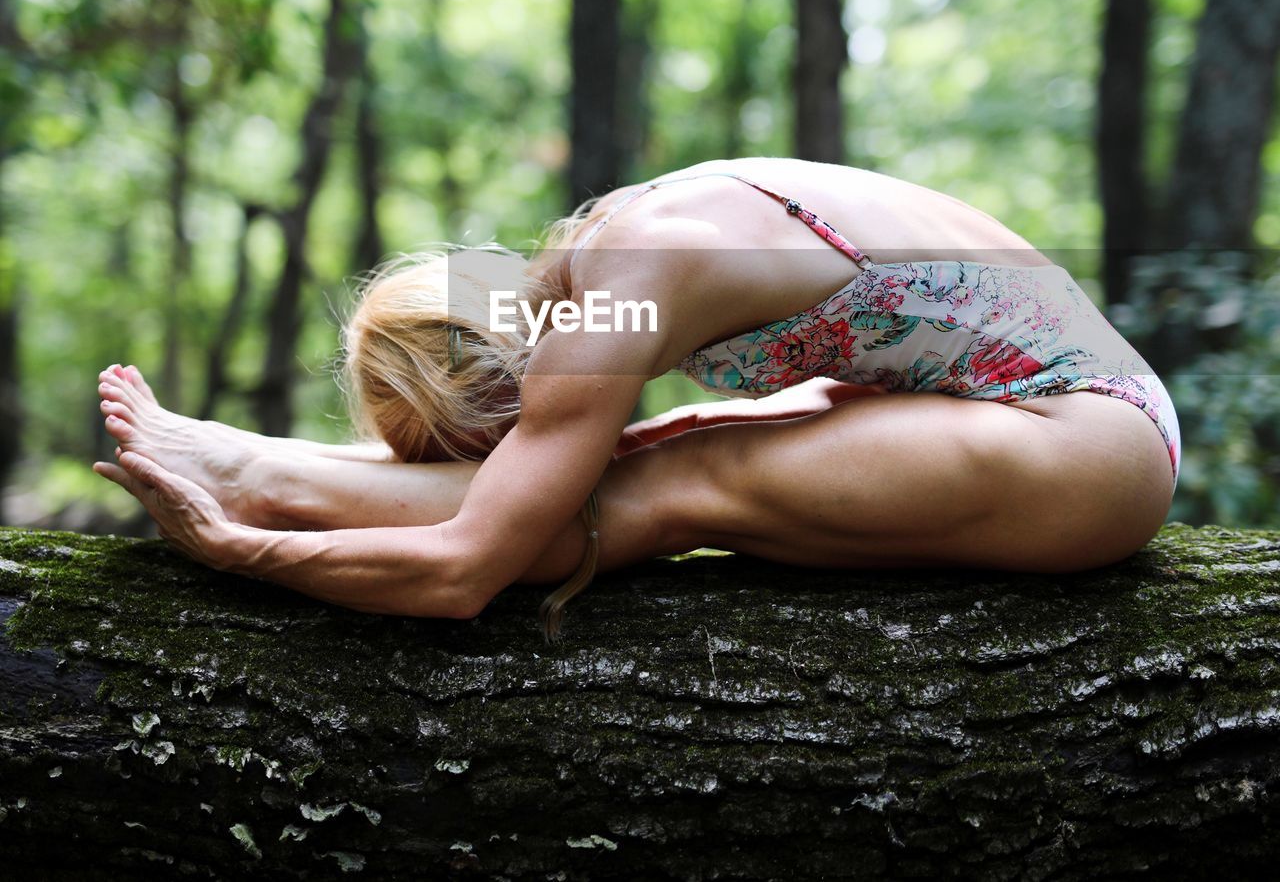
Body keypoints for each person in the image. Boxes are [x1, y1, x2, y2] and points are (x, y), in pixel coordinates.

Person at [93, 157, 1180, 640]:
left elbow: (467, 570)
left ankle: (252, 474)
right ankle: (253, 458)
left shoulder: (616, 291)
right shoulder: (602, 259)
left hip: (1086, 447)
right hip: (1078, 417)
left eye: (482, 449)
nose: (501, 460)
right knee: (678, 440)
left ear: (510, 390)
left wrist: (243, 549)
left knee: (664, 489)